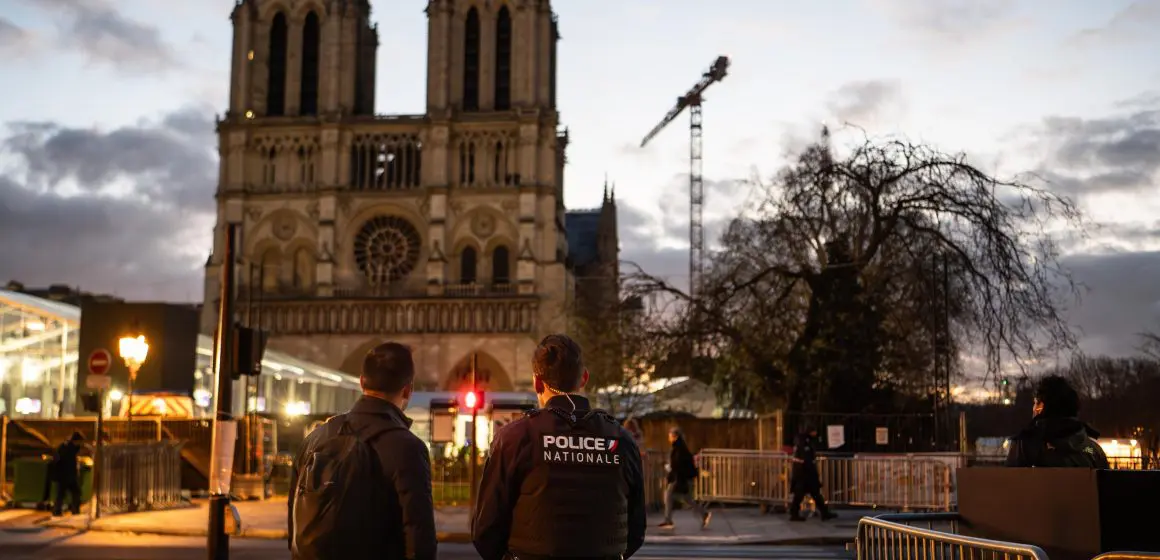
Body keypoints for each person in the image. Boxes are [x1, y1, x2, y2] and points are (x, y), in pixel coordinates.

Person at [473, 334, 647, 560]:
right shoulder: (622, 440)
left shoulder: (515, 438)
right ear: (584, 378)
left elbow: (486, 530)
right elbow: (636, 530)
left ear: (537, 382)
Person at [288, 342, 437, 560]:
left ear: (361, 382)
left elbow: (294, 521)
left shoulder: (316, 438)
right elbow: (419, 537)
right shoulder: (407, 447)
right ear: (407, 389)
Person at [1006, 375, 1109, 469]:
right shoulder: (1092, 450)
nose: (1033, 408)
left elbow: (1011, 484)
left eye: (1035, 403)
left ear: (1041, 407)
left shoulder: (1026, 447)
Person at [658, 427, 710, 530]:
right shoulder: (680, 447)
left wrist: (669, 470)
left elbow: (677, 465)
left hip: (680, 478)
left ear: (674, 436)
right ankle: (704, 514)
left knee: (668, 495)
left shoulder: (678, 448)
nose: (669, 438)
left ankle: (668, 520)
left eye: (670, 436)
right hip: (684, 478)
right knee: (687, 499)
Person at [788, 426, 836, 522]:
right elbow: (805, 458)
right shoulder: (803, 442)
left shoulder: (806, 441)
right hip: (803, 473)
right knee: (800, 495)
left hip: (805, 472)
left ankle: (824, 512)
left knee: (815, 494)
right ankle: (794, 513)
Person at [51, 431, 85, 516]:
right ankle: (74, 510)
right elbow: (69, 460)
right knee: (75, 492)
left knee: (61, 494)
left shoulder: (64, 446)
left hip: (62, 474)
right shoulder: (70, 448)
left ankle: (57, 511)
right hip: (67, 475)